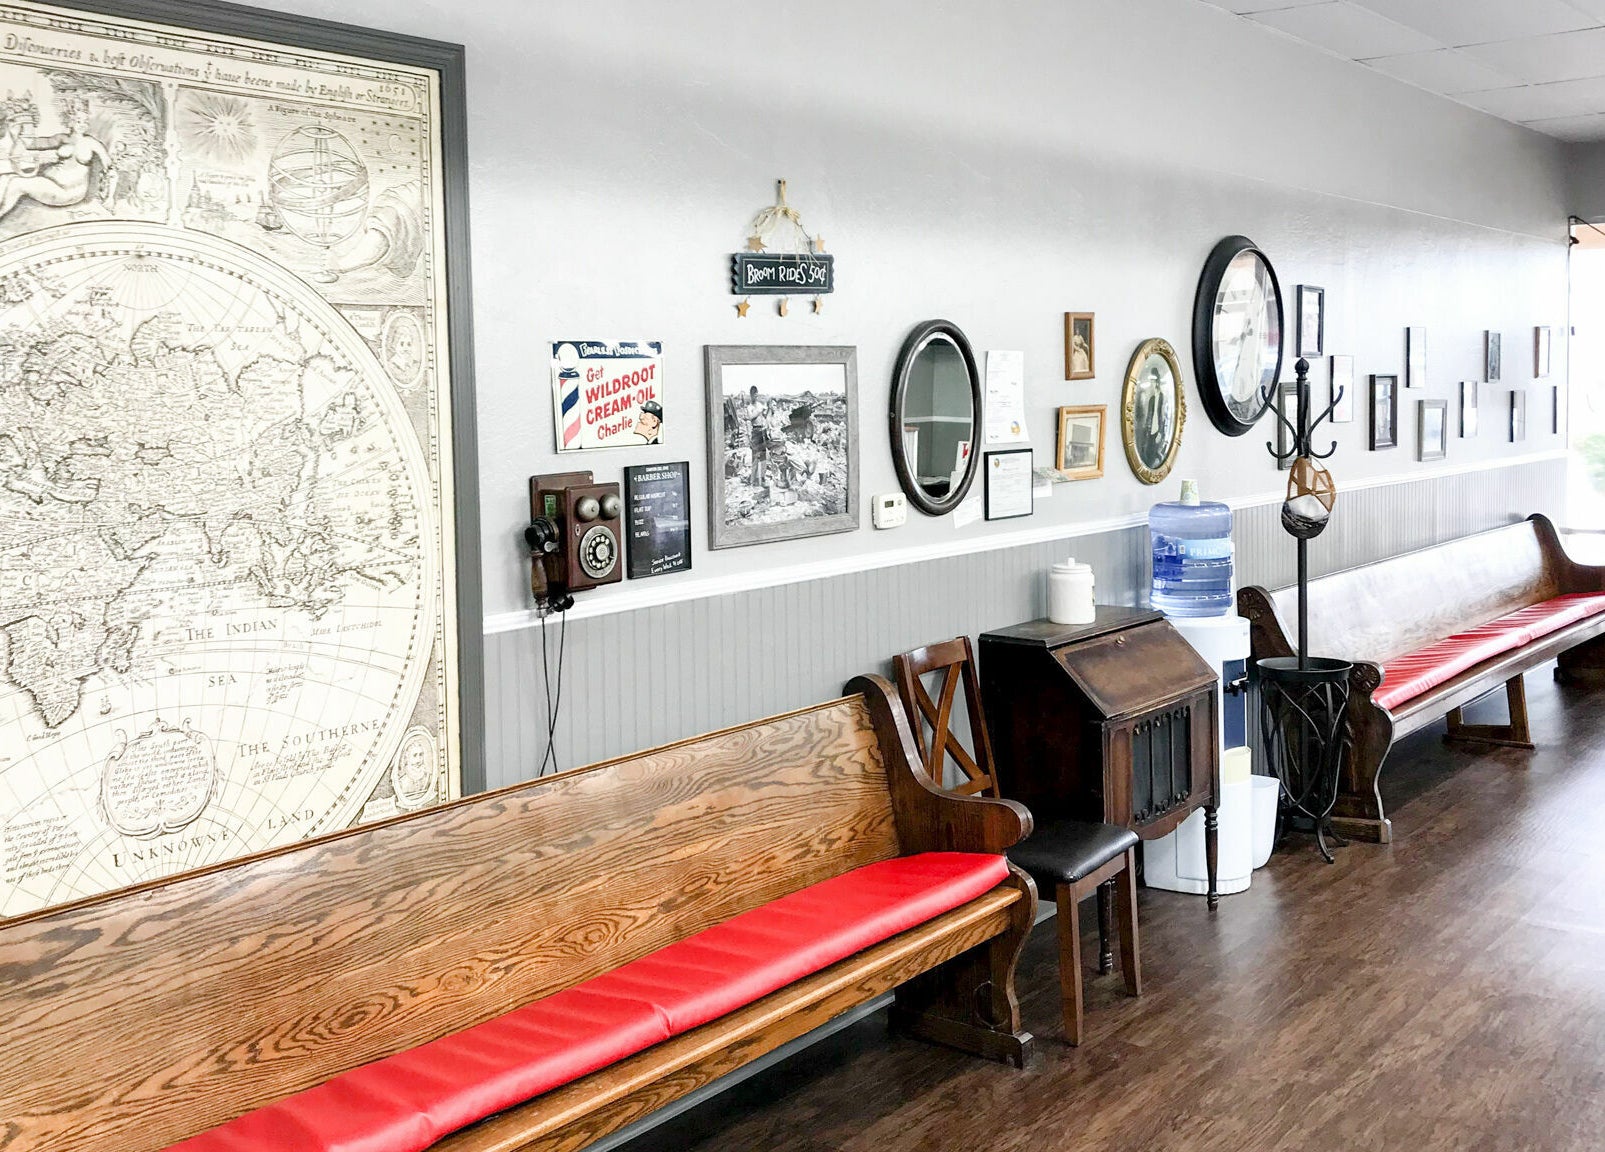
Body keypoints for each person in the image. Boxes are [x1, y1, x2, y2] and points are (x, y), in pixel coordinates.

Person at [0, 96, 110, 219]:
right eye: (79, 121)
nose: (82, 125)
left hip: (68, 191)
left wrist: (109, 198)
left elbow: (110, 169)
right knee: (5, 177)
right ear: (71, 122)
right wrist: (18, 131)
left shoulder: (92, 143)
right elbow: (32, 143)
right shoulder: (61, 138)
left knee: (16, 183)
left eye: (85, 122)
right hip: (52, 184)